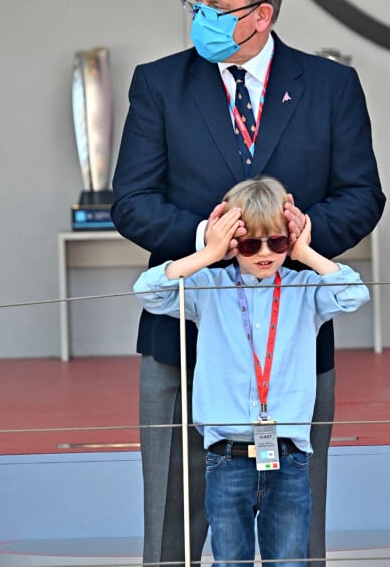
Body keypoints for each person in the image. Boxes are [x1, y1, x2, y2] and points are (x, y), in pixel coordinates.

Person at [111, 0, 386, 565]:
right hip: (181, 342)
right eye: (197, 2)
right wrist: (209, 246)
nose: (200, 17)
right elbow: (132, 201)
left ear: (262, 15)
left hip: (293, 351)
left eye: (217, 7)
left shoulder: (331, 87)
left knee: (296, 529)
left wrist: (296, 240)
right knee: (171, 528)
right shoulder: (158, 84)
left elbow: (362, 196)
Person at [133, 177, 370, 567]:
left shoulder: (304, 287)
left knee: (289, 561)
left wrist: (305, 252)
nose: (264, 253)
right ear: (233, 244)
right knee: (229, 562)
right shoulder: (209, 287)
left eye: (276, 242)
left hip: (290, 457)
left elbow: (353, 293)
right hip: (226, 457)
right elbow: (149, 291)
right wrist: (209, 251)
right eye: (249, 244)